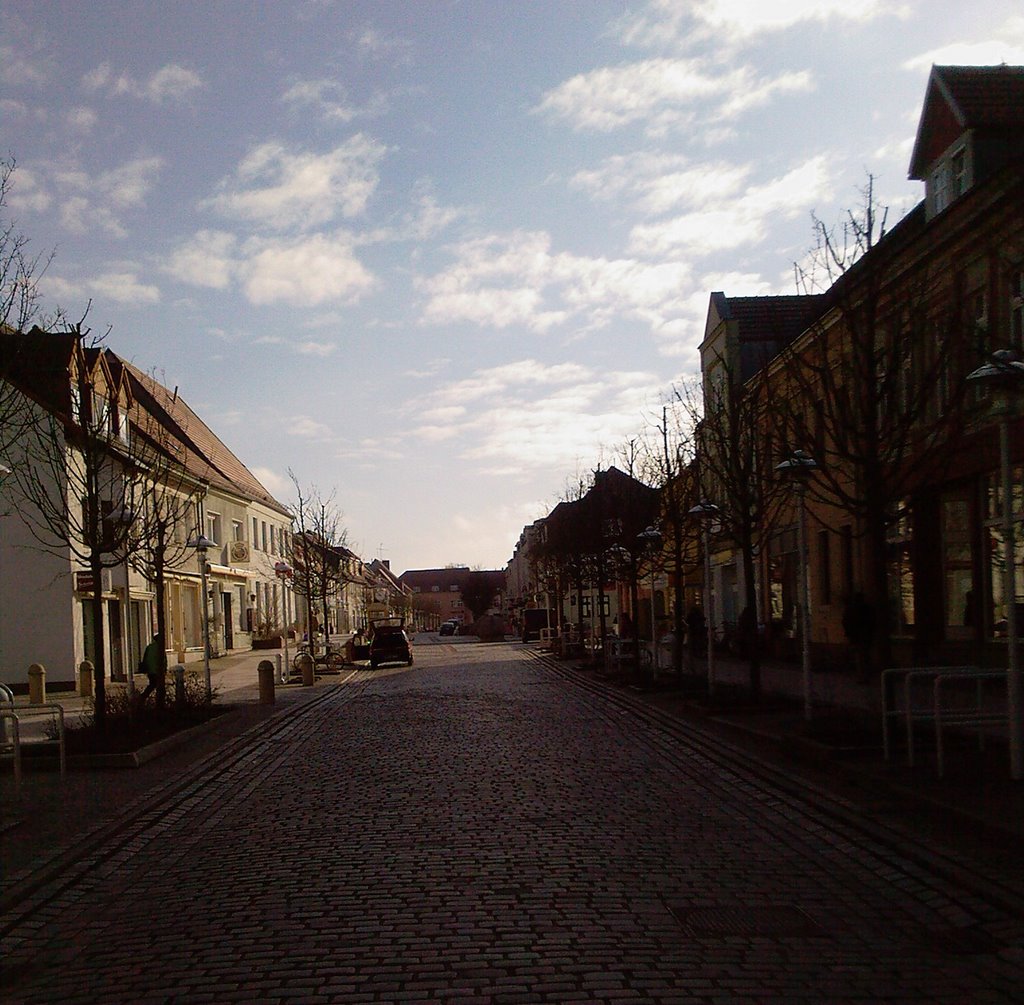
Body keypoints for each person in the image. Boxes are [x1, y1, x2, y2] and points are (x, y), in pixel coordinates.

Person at [138, 633, 164, 705]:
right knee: (157, 685)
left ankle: (144, 697)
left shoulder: (149, 647)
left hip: (150, 671)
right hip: (158, 670)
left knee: (153, 684)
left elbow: (145, 658)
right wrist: (164, 670)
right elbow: (163, 660)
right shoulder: (160, 648)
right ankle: (145, 697)